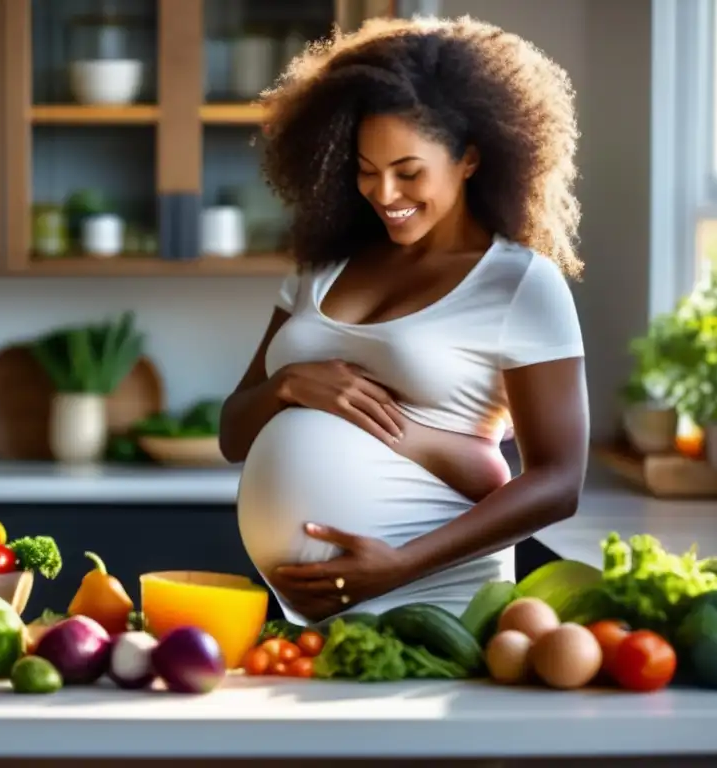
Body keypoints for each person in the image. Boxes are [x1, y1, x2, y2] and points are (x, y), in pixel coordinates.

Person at [219, 16, 590, 625]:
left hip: (438, 603)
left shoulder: (519, 283)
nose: (383, 191)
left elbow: (559, 482)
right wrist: (291, 386)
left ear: (469, 157)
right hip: (310, 622)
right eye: (366, 168)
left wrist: (400, 564)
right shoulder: (325, 267)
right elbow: (234, 435)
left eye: (408, 171)